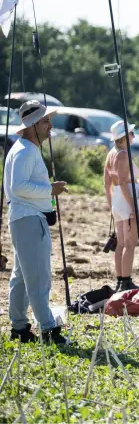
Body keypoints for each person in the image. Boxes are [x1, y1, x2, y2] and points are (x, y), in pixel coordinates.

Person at [4, 100, 70, 344]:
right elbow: (17, 186)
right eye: (45, 121)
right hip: (29, 219)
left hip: (25, 219)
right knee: (38, 277)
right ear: (32, 124)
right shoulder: (24, 151)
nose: (50, 125)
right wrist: (49, 190)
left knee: (22, 276)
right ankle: (48, 330)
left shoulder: (23, 148)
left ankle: (19, 328)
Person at [103, 120, 139, 292]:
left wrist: (111, 205)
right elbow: (121, 181)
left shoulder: (111, 154)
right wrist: (133, 207)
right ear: (123, 136)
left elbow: (107, 184)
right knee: (130, 242)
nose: (133, 136)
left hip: (118, 201)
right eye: (130, 133)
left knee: (121, 242)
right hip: (127, 199)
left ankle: (121, 279)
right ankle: (126, 281)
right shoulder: (122, 155)